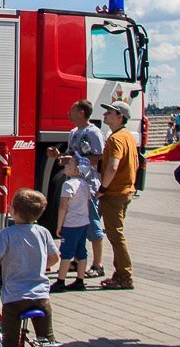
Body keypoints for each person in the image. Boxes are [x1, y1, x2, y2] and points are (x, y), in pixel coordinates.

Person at [0, 189, 59, 346]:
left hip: (15, 298)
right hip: (41, 297)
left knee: (10, 342)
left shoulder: (7, 234)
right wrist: (38, 266)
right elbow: (55, 258)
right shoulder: (44, 232)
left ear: (13, 210)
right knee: (47, 340)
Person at [46, 99, 107, 277]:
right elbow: (72, 155)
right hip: (74, 183)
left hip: (89, 184)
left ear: (81, 112)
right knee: (75, 222)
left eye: (72, 110)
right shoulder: (73, 132)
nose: (68, 113)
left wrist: (78, 161)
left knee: (92, 223)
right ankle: (76, 260)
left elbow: (99, 158)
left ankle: (98, 264)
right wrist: (60, 156)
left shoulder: (93, 133)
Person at [97, 100, 138, 290]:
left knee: (115, 236)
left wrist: (103, 188)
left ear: (120, 117)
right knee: (116, 234)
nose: (105, 115)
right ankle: (121, 273)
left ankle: (124, 276)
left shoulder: (115, 139)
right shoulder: (127, 136)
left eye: (109, 113)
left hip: (114, 193)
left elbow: (113, 165)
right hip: (126, 191)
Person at [52, 156, 98, 293]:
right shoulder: (85, 184)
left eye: (70, 163)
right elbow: (88, 203)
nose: (66, 164)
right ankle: (80, 280)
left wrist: (59, 225)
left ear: (77, 169)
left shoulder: (68, 185)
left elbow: (63, 207)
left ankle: (61, 281)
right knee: (81, 251)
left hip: (70, 224)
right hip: (83, 223)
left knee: (66, 253)